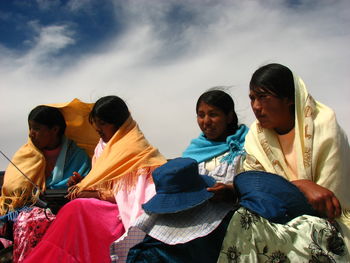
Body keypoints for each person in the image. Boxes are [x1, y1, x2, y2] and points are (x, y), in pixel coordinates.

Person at [218, 63, 350, 261]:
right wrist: (233, 190)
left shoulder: (323, 126)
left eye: (263, 97)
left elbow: (327, 202)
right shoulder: (256, 135)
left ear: (288, 98)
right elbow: (258, 185)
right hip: (276, 217)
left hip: (329, 223)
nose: (255, 106)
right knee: (242, 222)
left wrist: (285, 190)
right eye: (252, 98)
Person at [24, 95, 167, 263]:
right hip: (102, 207)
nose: (98, 128)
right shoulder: (102, 147)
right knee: (74, 209)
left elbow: (133, 196)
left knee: (77, 208)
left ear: (119, 123)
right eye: (96, 123)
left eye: (103, 124)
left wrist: (95, 195)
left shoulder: (134, 149)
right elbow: (103, 181)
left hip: (122, 213)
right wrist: (83, 183)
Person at [126, 90, 249, 262]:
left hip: (227, 212)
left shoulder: (246, 146)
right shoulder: (194, 150)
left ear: (229, 116)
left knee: (177, 248)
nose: (206, 121)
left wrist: (230, 191)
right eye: (201, 115)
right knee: (149, 242)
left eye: (213, 114)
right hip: (190, 211)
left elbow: (256, 184)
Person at [0, 105, 91, 262]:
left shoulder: (78, 156)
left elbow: (87, 187)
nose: (31, 133)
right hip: (29, 211)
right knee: (26, 221)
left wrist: (77, 184)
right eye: (30, 128)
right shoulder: (25, 154)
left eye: (36, 128)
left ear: (54, 130)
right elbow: (13, 191)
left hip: (67, 209)